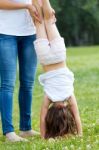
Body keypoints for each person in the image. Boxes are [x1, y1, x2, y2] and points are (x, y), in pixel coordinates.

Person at [33, 0, 83, 139]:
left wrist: (80, 134)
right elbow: (42, 118)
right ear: (52, 114)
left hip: (59, 55)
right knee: (39, 21)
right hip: (45, 58)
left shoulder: (69, 95)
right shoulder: (49, 96)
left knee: (49, 20)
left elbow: (77, 115)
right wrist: (43, 137)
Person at [0, 0, 40, 142]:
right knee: (7, 84)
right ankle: (9, 132)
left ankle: (26, 128)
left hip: (30, 32)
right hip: (5, 33)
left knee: (28, 83)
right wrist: (26, 5)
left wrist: (47, 9)